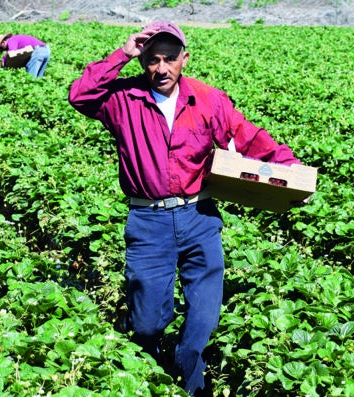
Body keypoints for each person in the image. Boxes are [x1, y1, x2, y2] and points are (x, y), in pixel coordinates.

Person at [68, 21, 303, 396]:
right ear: (142, 60)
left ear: (184, 59)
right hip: (148, 220)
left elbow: (249, 137)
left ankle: (191, 380)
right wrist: (121, 53)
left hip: (199, 216)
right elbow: (80, 96)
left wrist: (292, 173)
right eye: (152, 59)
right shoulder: (123, 99)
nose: (161, 68)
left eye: (170, 59)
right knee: (146, 322)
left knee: (204, 317)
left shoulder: (208, 99)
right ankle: (148, 365)